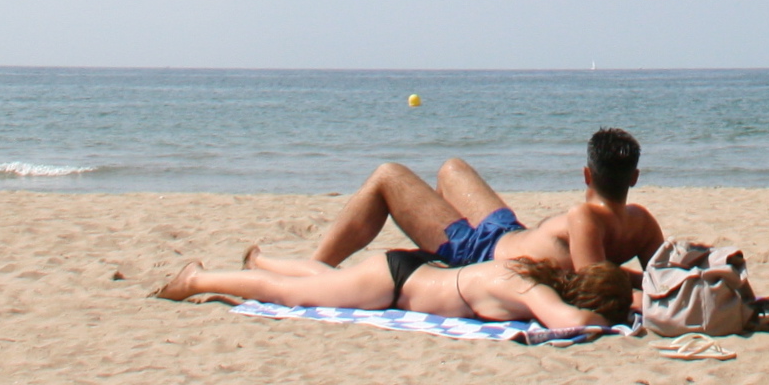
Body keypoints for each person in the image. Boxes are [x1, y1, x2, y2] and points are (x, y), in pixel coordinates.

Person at [245, 129, 663, 278]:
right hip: (508, 231)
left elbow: (592, 282)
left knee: (388, 175)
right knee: (452, 168)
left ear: (586, 175)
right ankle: (434, 235)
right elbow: (658, 276)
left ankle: (315, 269)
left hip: (478, 252)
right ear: (635, 178)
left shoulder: (583, 217)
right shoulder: (642, 221)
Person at [150, 250, 630, 330]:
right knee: (289, 294)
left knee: (324, 281)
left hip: (411, 271)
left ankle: (260, 259)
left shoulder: (540, 276)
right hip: (395, 284)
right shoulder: (534, 293)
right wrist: (613, 320)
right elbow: (571, 323)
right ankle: (196, 279)